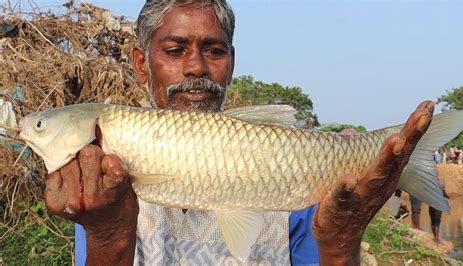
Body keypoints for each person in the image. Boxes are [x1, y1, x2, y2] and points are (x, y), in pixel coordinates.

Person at [43, 1, 434, 265]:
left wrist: (341, 241)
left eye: (214, 50)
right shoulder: (100, 183)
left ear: (232, 62)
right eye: (175, 50)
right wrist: (109, 232)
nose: (196, 67)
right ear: (142, 64)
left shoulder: (301, 190)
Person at [428, 179, 450, 244]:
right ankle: (437, 239)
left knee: (432, 221)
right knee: (437, 222)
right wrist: (448, 197)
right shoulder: (441, 182)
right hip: (438, 204)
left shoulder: (429, 182)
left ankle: (435, 237)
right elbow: (444, 193)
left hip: (431, 204)